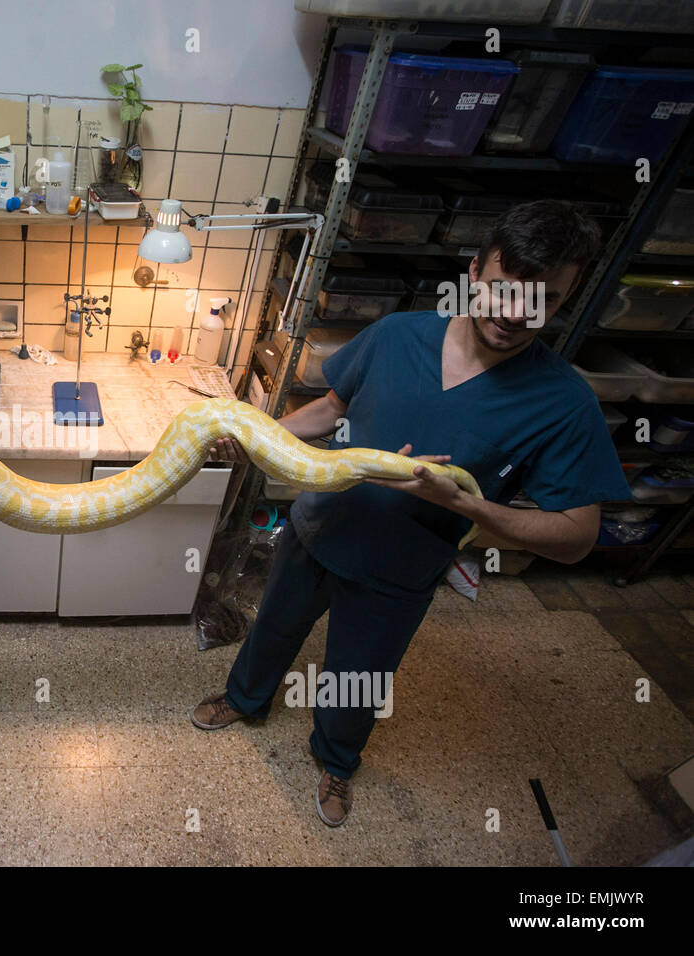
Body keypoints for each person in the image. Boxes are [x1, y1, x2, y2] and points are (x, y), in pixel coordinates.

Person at [199, 200, 632, 827]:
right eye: (503, 291)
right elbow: (330, 407)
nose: (515, 316)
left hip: (398, 574)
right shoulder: (399, 333)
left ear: (562, 301)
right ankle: (245, 699)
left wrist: (467, 505)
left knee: (358, 677)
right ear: (475, 269)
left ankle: (336, 762)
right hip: (316, 528)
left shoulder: (564, 402)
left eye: (543, 300)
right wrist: (252, 438)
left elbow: (576, 537)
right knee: (272, 627)